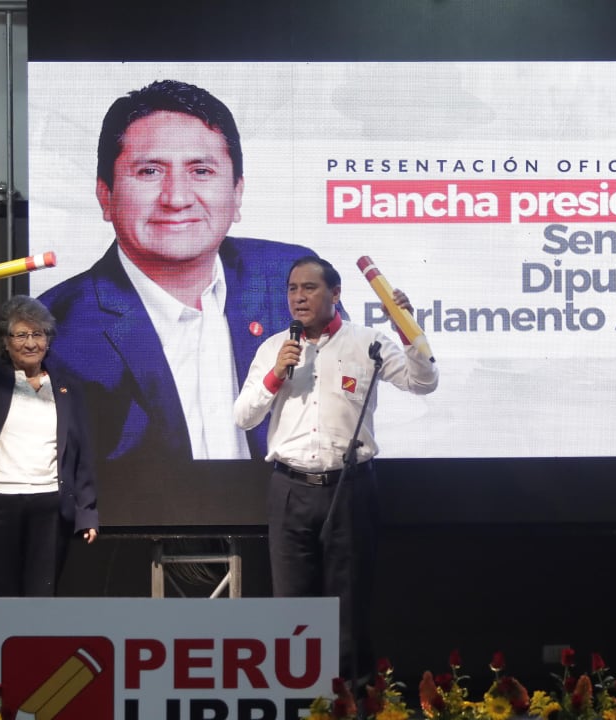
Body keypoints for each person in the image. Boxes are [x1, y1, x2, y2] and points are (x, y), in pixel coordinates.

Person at [39, 79, 313, 478]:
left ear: (237, 195)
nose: (176, 198)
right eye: (149, 171)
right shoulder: (57, 327)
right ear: (105, 195)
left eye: (201, 170)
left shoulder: (291, 279)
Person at [232, 255, 439, 682]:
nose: (299, 297)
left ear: (335, 294)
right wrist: (275, 376)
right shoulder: (275, 348)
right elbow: (243, 417)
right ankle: (298, 701)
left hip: (349, 487)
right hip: (289, 490)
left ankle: (351, 703)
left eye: (309, 288)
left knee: (348, 605)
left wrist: (407, 329)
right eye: (292, 289)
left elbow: (424, 382)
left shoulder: (368, 342)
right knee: (292, 606)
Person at [0, 270, 98, 596]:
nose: (30, 343)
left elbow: (80, 454)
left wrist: (88, 512)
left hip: (50, 506)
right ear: (5, 342)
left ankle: (36, 649)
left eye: (38, 335)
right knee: (1, 596)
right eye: (20, 335)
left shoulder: (67, 387)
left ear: (49, 339)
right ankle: (3, 649)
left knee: (42, 598)